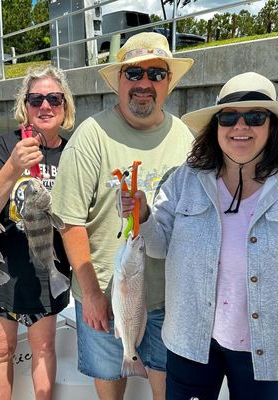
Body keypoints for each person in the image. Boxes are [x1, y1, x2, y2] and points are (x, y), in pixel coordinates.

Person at [51, 32, 194, 400]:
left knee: (170, 392)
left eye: (156, 73)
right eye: (133, 73)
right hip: (104, 297)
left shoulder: (186, 139)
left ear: (168, 83)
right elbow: (69, 221)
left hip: (169, 300)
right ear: (118, 80)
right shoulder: (91, 136)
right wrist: (93, 293)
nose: (144, 83)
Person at [120, 72, 278, 400]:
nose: (240, 127)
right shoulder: (184, 179)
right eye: (229, 117)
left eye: (255, 117)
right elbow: (160, 246)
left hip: (267, 349)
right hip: (191, 341)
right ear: (215, 126)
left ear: (272, 126)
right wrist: (143, 214)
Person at [0, 64, 75, 400]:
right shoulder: (5, 145)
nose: (45, 106)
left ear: (65, 106)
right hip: (5, 269)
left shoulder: (74, 150)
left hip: (48, 271)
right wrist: (12, 167)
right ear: (25, 105)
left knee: (45, 349)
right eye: (36, 99)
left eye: (54, 98)